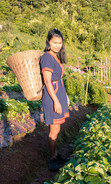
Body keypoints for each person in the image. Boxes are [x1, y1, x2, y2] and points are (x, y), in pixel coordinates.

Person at [40, 28, 70, 171]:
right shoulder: (46, 57)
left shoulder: (56, 57)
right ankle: (52, 158)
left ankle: (56, 154)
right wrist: (56, 101)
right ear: (49, 42)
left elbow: (59, 79)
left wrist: (66, 97)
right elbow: (47, 82)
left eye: (59, 43)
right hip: (52, 97)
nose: (57, 45)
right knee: (53, 130)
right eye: (54, 42)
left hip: (59, 94)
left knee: (57, 129)